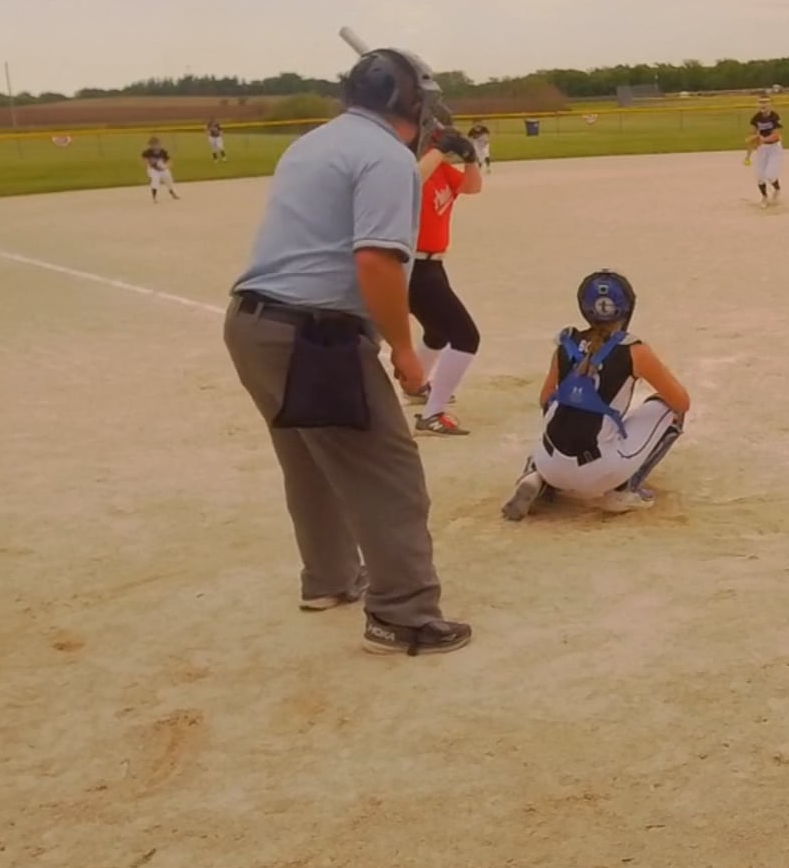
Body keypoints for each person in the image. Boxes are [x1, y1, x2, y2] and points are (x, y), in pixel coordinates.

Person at [222, 46, 474, 656]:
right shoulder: (385, 157)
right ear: (410, 103)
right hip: (317, 336)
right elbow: (377, 260)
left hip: (253, 325)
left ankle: (329, 579)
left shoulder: (313, 142)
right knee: (387, 473)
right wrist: (405, 349)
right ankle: (402, 615)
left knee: (310, 461)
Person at [500, 270, 690, 521]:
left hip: (549, 460)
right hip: (597, 470)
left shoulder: (566, 342)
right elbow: (681, 401)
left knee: (559, 412)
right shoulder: (634, 350)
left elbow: (545, 399)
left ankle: (536, 474)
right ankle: (622, 489)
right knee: (670, 408)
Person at [404, 129, 485, 437]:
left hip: (434, 264)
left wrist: (470, 159)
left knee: (437, 332)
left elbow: (472, 187)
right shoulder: (408, 168)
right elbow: (410, 184)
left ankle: (416, 387)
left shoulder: (439, 169)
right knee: (466, 336)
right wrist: (437, 149)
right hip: (413, 266)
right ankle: (433, 413)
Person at [747, 97, 785, 207]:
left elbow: (776, 135)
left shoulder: (774, 116)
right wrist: (748, 155)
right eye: (760, 102)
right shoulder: (756, 118)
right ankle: (764, 197)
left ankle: (777, 189)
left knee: (770, 175)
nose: (762, 105)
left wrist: (763, 139)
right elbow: (752, 136)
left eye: (765, 102)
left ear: (770, 104)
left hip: (774, 148)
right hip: (762, 148)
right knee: (759, 175)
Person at [141, 137, 179, 202]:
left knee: (169, 179)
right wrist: (147, 164)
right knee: (155, 179)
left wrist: (166, 166)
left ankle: (172, 193)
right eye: (152, 144)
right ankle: (154, 197)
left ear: (159, 144)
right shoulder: (147, 152)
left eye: (155, 144)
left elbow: (169, 160)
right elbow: (145, 160)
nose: (154, 146)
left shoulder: (163, 152)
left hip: (162, 168)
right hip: (153, 169)